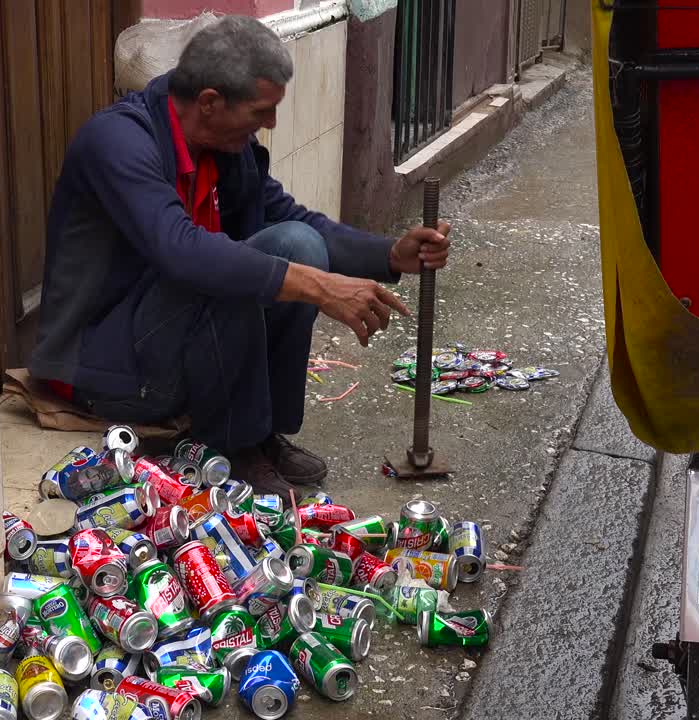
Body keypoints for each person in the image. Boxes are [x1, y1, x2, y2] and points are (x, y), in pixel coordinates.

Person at [30, 15, 449, 497]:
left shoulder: (226, 147)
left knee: (295, 244)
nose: (270, 124)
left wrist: (390, 255)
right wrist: (320, 287)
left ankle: (261, 435)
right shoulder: (117, 141)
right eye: (261, 111)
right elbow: (182, 252)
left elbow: (289, 219)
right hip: (103, 366)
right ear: (210, 102)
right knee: (232, 268)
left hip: (166, 340)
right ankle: (234, 445)